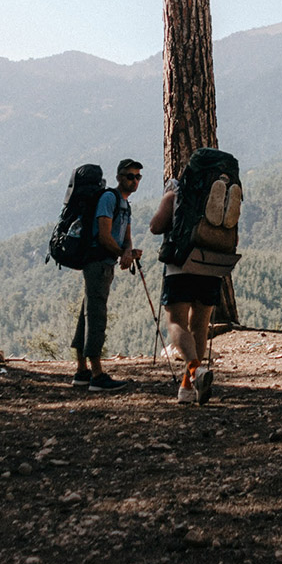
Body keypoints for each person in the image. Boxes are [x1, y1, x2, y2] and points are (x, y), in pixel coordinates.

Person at [71, 158, 142, 391]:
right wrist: (122, 253)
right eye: (130, 176)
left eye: (138, 176)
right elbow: (103, 235)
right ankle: (97, 375)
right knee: (96, 316)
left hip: (106, 263)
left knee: (87, 314)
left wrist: (128, 252)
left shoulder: (125, 204)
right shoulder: (109, 199)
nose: (134, 180)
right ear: (119, 177)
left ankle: (82, 371)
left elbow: (126, 237)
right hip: (98, 263)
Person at [151, 174, 220, 403]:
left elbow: (155, 226)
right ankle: (188, 388)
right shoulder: (219, 195)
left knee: (176, 322)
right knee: (200, 326)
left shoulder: (176, 192)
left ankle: (194, 370)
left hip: (181, 265)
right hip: (212, 264)